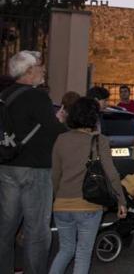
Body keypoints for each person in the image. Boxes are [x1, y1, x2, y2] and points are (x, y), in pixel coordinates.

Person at [0, 51, 67, 274]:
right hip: (35, 170)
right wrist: (61, 121)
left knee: (6, 229)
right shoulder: (37, 97)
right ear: (29, 72)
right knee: (37, 231)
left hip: (8, 165)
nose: (44, 70)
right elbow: (53, 130)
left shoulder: (5, 94)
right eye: (40, 66)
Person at [49, 97, 126, 274]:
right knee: (83, 254)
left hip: (62, 205)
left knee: (65, 250)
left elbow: (55, 175)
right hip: (88, 205)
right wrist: (121, 201)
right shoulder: (100, 141)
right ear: (94, 118)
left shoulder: (61, 139)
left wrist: (57, 198)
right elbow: (112, 174)